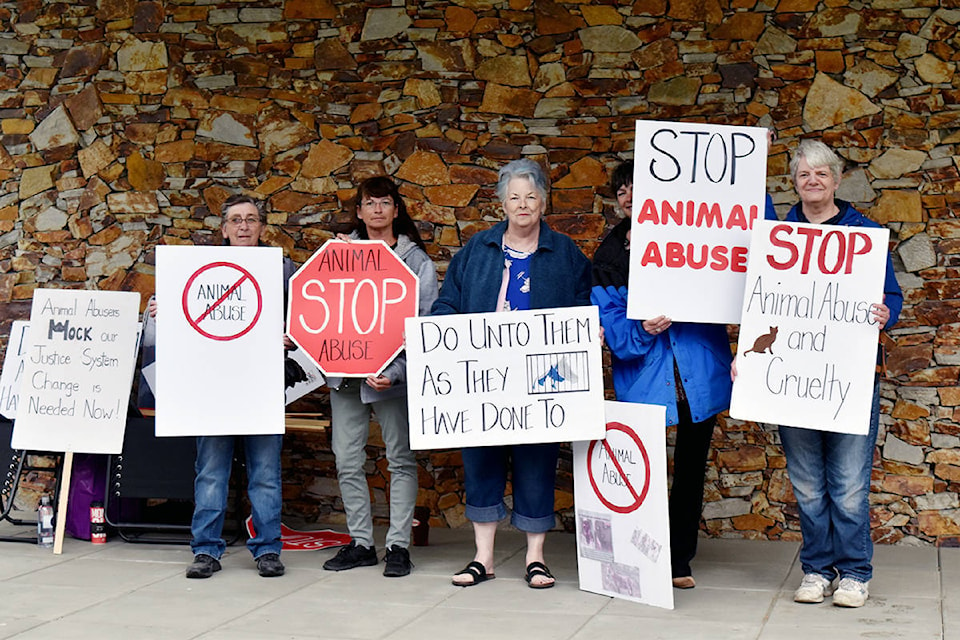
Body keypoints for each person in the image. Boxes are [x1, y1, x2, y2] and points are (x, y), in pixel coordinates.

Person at [431, 158, 592, 589]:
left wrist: (584, 326)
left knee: (536, 458)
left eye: (531, 196)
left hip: (542, 372)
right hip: (484, 370)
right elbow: (448, 301)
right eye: (515, 197)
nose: (523, 204)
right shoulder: (476, 250)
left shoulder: (565, 252)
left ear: (544, 201)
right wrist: (438, 331)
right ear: (502, 203)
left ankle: (535, 559)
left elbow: (582, 300)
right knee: (481, 457)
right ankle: (483, 557)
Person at [767, 140, 902, 608]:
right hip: (792, 378)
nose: (813, 182)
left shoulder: (864, 235)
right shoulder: (778, 236)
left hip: (849, 376)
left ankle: (854, 573)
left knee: (847, 485)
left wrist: (889, 314)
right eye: (804, 175)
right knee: (806, 483)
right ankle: (816, 570)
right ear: (795, 181)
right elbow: (761, 299)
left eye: (821, 174)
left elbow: (892, 296)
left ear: (837, 179)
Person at [591, 160, 733, 590]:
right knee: (644, 470)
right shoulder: (609, 255)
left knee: (691, 470)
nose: (630, 196)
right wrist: (641, 328)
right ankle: (642, 555)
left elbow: (746, 226)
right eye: (621, 192)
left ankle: (677, 560)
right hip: (645, 379)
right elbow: (612, 323)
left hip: (697, 374)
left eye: (638, 187)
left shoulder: (698, 238)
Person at [148, 194, 295, 579]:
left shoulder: (281, 270)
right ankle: (206, 550)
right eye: (236, 220)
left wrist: (289, 335)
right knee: (211, 470)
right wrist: (162, 310)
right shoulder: (198, 267)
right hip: (211, 387)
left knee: (265, 472)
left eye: (251, 219)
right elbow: (184, 311)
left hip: (260, 386)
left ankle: (267, 549)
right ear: (224, 229)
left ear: (262, 227)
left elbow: (304, 316)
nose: (244, 226)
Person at [321, 176, 438, 578]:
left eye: (384, 203)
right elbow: (317, 313)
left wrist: (396, 372)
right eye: (369, 203)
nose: (376, 210)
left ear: (395, 210)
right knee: (346, 459)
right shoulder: (336, 256)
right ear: (359, 211)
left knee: (400, 459)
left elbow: (423, 328)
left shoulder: (416, 262)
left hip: (391, 378)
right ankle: (360, 543)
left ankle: (399, 546)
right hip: (345, 376)